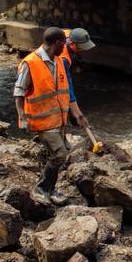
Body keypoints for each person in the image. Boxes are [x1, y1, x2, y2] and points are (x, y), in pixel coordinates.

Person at [14, 27, 91, 206]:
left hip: (58, 119)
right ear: (57, 43)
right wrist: (22, 117)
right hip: (41, 121)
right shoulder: (30, 63)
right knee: (61, 154)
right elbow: (18, 91)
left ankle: (50, 188)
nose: (64, 48)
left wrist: (74, 114)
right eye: (62, 44)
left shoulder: (58, 60)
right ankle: (41, 188)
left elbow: (64, 90)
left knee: (57, 153)